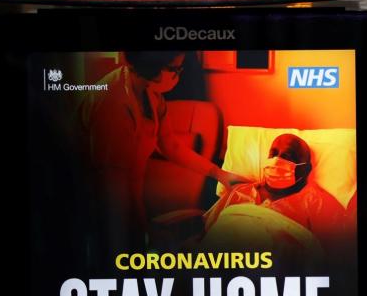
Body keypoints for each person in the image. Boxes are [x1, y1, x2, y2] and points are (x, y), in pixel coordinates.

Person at [80, 51, 249, 242]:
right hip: (98, 206)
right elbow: (115, 189)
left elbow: (170, 145)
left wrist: (220, 174)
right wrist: (144, 232)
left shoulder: (151, 94)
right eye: (174, 69)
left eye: (180, 69)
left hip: (129, 201)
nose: (178, 76)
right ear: (151, 64)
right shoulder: (113, 102)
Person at [205, 132, 353, 241]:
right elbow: (206, 230)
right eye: (273, 154)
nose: (276, 161)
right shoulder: (239, 191)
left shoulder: (317, 202)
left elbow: (339, 254)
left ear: (305, 169)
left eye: (287, 156)